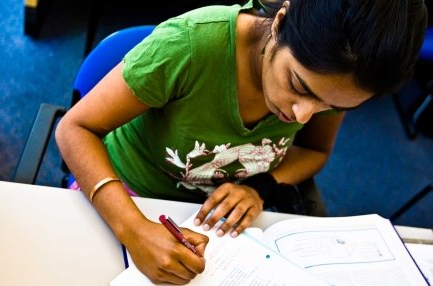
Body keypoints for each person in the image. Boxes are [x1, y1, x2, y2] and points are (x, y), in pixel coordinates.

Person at [55, 0, 427, 284]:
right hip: (129, 192)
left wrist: (260, 187)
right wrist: (131, 228)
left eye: (330, 105)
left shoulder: (335, 81)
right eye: (298, 85)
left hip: (222, 224)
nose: (303, 116)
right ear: (279, 23)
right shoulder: (190, 47)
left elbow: (314, 152)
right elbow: (75, 129)